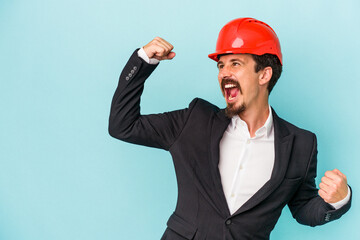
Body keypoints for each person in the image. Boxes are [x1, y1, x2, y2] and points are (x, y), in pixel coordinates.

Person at [108, 18, 351, 240]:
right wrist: (143, 60)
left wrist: (338, 202)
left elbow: (303, 209)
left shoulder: (301, 143)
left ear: (264, 74)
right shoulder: (194, 121)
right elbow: (123, 125)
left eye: (235, 64)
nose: (224, 73)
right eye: (221, 66)